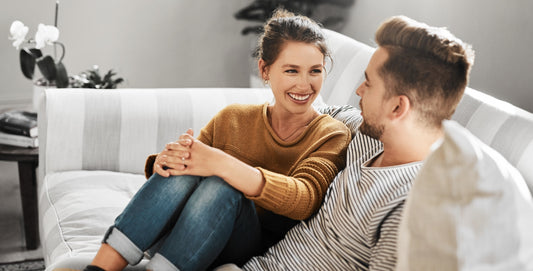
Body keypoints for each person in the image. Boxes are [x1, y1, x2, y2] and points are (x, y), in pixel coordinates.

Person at [82, 9, 351, 271]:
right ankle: (101, 268)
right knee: (191, 162)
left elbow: (304, 199)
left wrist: (222, 164)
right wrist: (165, 162)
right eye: (292, 71)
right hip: (179, 237)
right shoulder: (232, 117)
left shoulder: (331, 134)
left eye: (315, 71)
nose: (305, 85)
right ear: (265, 70)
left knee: (222, 185)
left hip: (241, 246)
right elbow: (190, 175)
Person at [217, 15, 475, 270]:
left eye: (369, 84)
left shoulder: (412, 209)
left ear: (398, 107)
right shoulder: (365, 136)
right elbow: (313, 111)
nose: (358, 90)